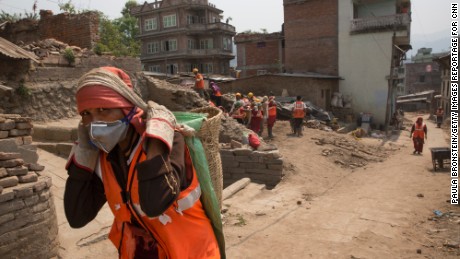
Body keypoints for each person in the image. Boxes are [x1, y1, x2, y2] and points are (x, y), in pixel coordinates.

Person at [64, 67, 221, 258]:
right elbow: (77, 216)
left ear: (126, 107)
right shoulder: (105, 159)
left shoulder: (171, 141)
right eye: (86, 114)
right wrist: (84, 152)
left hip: (192, 252)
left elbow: (154, 204)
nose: (94, 123)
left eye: (103, 110)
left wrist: (157, 139)